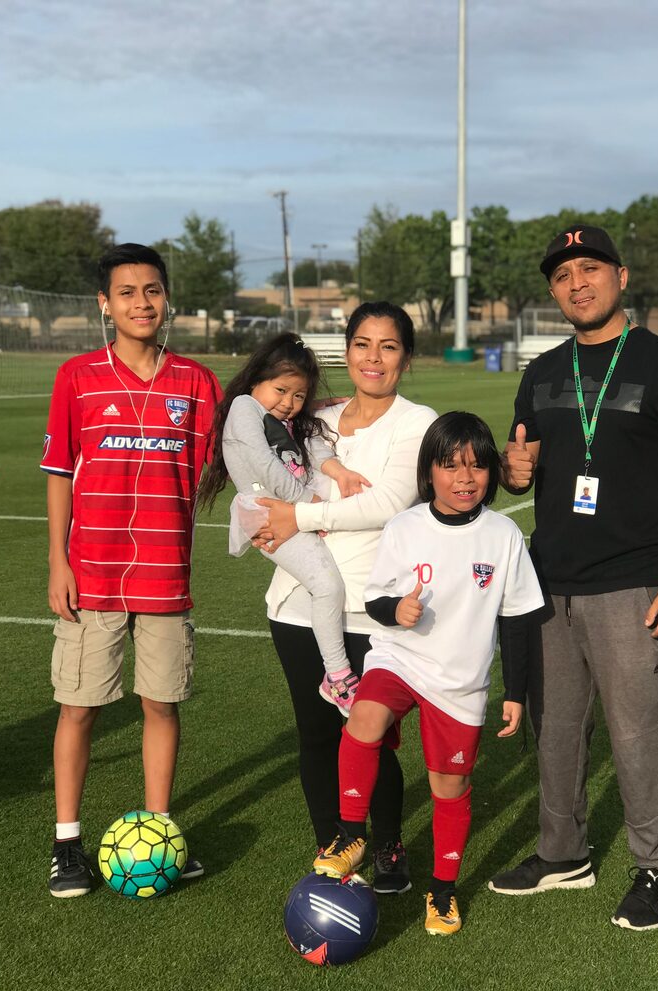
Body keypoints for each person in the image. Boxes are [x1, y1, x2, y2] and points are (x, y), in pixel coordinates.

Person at [489, 224, 658, 931]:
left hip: (634, 582)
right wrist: (510, 470)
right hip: (547, 580)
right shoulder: (543, 371)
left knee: (641, 733)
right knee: (556, 730)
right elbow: (519, 461)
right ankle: (563, 854)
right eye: (562, 275)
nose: (576, 282)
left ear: (620, 276)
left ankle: (656, 868)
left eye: (590, 268)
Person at [313, 412, 544, 936]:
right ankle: (352, 835)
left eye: (477, 466)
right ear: (430, 472)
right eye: (450, 466)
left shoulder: (504, 535)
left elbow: (518, 617)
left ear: (491, 471)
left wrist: (516, 691)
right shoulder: (405, 526)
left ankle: (442, 892)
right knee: (363, 721)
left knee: (450, 784)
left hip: (459, 681)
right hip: (400, 658)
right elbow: (374, 599)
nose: (465, 478)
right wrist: (397, 611)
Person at [41, 242, 223, 898]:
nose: (141, 303)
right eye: (127, 292)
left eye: (152, 290)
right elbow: (61, 473)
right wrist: (59, 560)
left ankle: (161, 831)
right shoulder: (78, 376)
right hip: (93, 574)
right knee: (80, 707)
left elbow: (237, 450)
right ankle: (66, 841)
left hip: (166, 578)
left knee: (160, 703)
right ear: (104, 303)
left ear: (166, 297)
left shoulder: (196, 383)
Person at [257, 303, 437, 893]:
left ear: (405, 358)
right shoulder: (317, 416)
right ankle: (333, 846)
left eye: (388, 347)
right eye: (362, 344)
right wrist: (268, 523)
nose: (373, 358)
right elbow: (270, 480)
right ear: (346, 351)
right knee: (315, 733)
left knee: (370, 733)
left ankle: (386, 845)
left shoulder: (417, 422)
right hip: (296, 603)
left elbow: (386, 502)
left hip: (369, 607)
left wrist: (299, 516)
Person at [197, 332, 371, 715]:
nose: (289, 403)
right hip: (269, 510)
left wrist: (338, 471)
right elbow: (266, 466)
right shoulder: (245, 407)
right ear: (256, 380)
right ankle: (337, 676)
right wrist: (309, 506)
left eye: (298, 396)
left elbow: (312, 444)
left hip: (290, 506)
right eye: (280, 390)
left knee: (327, 578)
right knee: (326, 586)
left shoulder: (281, 419)